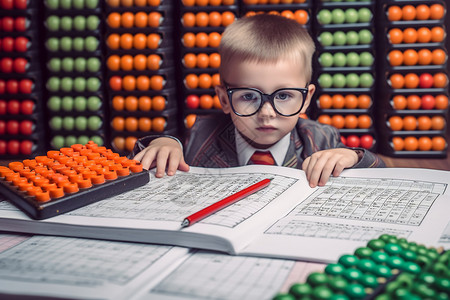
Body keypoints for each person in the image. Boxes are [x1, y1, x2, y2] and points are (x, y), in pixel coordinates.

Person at [131, 14, 385, 187]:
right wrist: (164, 143)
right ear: (224, 99)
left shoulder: (320, 139)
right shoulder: (202, 134)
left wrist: (352, 157)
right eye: (249, 96)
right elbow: (156, 158)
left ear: (306, 99)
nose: (266, 113)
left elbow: (381, 174)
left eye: (284, 96)